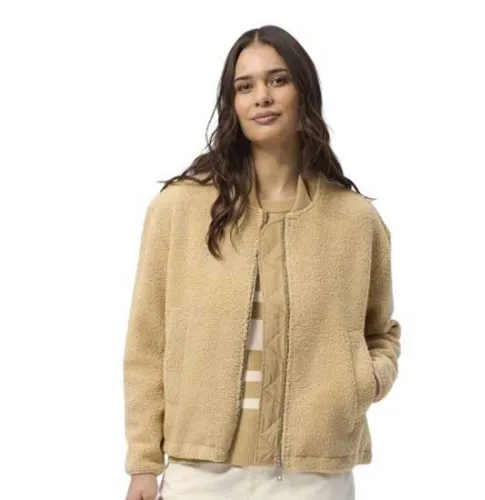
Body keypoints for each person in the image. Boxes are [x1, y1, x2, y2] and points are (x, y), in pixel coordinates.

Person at [123, 24, 401, 500]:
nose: (262, 97)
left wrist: (362, 381)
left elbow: (380, 332)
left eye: (278, 80)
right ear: (232, 103)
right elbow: (147, 343)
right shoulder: (180, 209)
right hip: (201, 475)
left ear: (303, 91)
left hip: (314, 476)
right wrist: (143, 464)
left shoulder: (355, 220)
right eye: (245, 86)